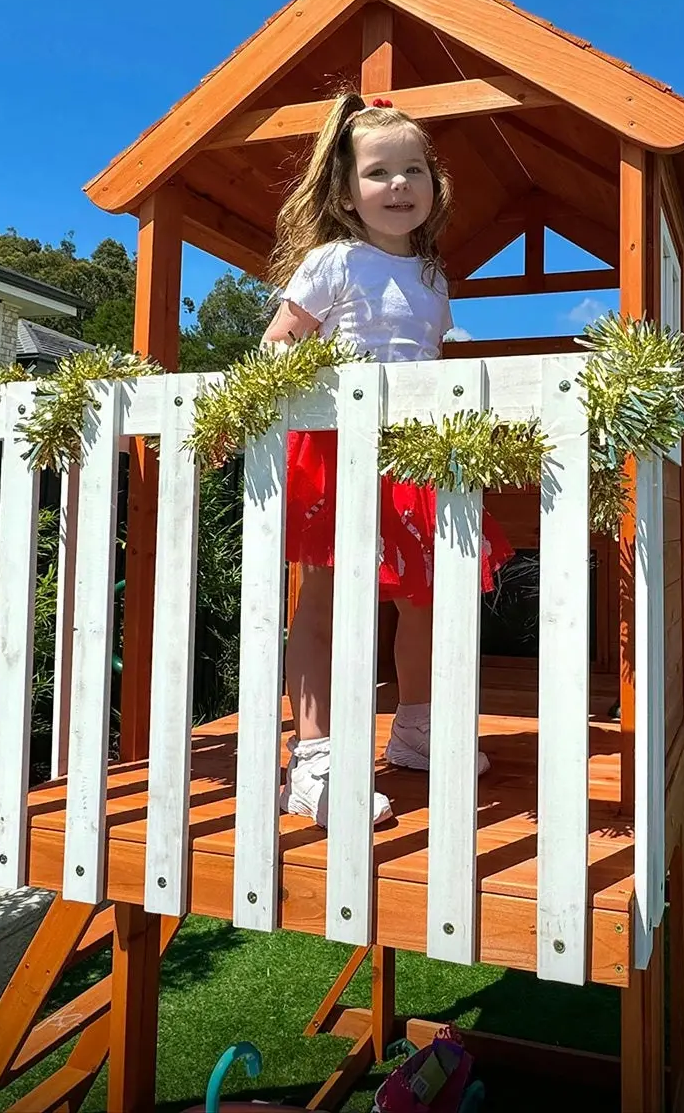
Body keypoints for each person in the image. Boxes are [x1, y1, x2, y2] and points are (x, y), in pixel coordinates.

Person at [259, 91, 514, 826]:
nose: (398, 186)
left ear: (435, 186)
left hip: (417, 457)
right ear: (344, 192)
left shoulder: (434, 277)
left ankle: (416, 731)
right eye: (378, 173)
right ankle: (313, 761)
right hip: (340, 455)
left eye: (413, 171)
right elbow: (279, 344)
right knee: (325, 606)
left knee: (423, 602)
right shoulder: (333, 261)